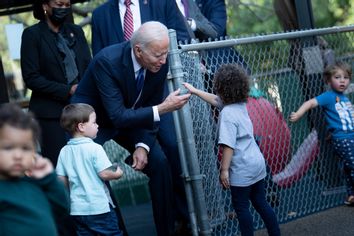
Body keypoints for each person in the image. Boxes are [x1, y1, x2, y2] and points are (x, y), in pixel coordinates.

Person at [71, 21, 191, 236]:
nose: (164, 61)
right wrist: (163, 108)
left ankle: (167, 231)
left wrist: (143, 145)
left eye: (165, 54)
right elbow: (120, 116)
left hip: (129, 116)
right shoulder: (107, 61)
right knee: (92, 173)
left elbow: (150, 107)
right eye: (158, 55)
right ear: (138, 50)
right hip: (91, 120)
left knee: (160, 163)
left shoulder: (159, 62)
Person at [184, 63, 281, 236]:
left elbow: (228, 146)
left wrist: (224, 170)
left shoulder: (227, 114)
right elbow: (215, 100)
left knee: (242, 208)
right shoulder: (240, 104)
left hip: (242, 168)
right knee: (261, 202)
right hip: (257, 163)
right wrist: (195, 91)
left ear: (221, 87)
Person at [20, 0, 91, 166]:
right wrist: (68, 90)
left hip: (81, 111)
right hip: (50, 115)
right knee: (61, 167)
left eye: (67, 5)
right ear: (45, 5)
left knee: (89, 163)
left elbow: (88, 66)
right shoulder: (32, 34)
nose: (64, 9)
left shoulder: (76, 31)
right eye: (59, 5)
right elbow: (31, 77)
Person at [290, 61, 354, 206]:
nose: (342, 80)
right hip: (344, 139)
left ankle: (351, 195)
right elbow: (310, 103)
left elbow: (343, 117)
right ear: (329, 80)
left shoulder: (344, 98)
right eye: (337, 77)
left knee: (349, 167)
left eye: (346, 77)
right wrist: (299, 114)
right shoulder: (329, 96)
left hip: (349, 137)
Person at [0, 103, 69, 236]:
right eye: (8, 148)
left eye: (25, 149)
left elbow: (62, 208)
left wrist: (49, 179)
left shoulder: (37, 183)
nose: (18, 156)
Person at [56, 103, 124, 235]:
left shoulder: (64, 151)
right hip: (99, 208)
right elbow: (105, 173)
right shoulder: (95, 148)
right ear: (81, 126)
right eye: (94, 122)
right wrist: (118, 172)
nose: (97, 125)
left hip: (78, 210)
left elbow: (60, 180)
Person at [91, 0, 190, 56]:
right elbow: (99, 56)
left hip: (164, 80)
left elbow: (182, 38)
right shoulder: (100, 15)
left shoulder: (162, 2)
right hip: (121, 85)